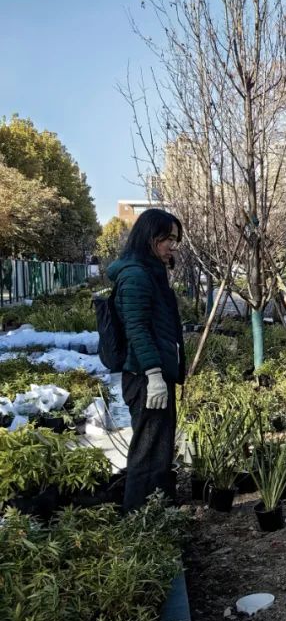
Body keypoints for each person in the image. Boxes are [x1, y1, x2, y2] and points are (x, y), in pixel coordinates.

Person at [106, 208, 186, 511]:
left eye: (175, 240)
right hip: (144, 377)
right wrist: (154, 375)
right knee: (148, 448)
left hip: (154, 374)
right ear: (149, 237)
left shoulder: (150, 272)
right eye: (168, 239)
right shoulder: (136, 275)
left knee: (160, 447)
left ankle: (159, 511)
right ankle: (138, 517)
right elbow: (136, 329)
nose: (172, 246)